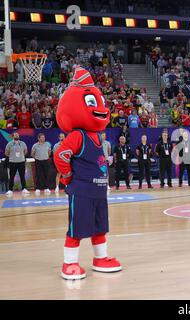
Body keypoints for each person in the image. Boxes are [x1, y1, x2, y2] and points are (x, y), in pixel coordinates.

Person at [54, 67, 121, 280]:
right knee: (76, 229)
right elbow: (60, 155)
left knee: (100, 227)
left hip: (99, 192)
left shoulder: (97, 136)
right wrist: (67, 177)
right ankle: (69, 263)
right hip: (82, 190)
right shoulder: (78, 135)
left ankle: (100, 258)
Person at [4, 132, 29, 197]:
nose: (16, 135)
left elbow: (26, 151)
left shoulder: (23, 143)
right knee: (12, 176)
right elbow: (6, 153)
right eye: (15, 135)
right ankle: (10, 190)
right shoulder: (9, 144)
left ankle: (24, 188)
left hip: (21, 162)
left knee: (22, 176)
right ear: (13, 136)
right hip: (12, 162)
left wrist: (21, 156)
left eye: (17, 135)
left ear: (19, 136)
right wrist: (12, 156)